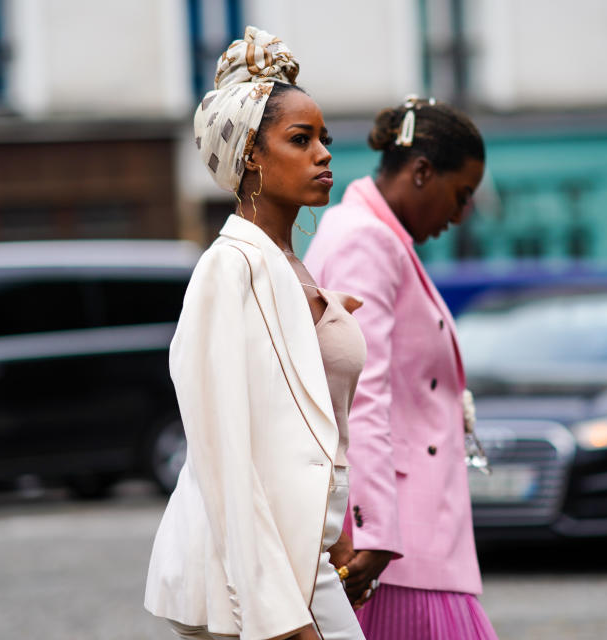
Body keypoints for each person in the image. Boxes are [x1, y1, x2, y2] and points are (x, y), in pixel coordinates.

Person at [145, 27, 367, 640]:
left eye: (324, 138)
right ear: (250, 154)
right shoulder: (228, 268)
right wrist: (276, 617)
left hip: (303, 556)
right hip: (262, 581)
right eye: (301, 139)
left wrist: (335, 530)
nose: (323, 153)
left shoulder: (285, 264)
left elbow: (300, 426)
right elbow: (223, 455)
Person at [304, 96, 498, 639]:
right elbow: (361, 390)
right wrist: (375, 533)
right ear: (420, 171)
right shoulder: (366, 240)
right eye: (460, 196)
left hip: (407, 538)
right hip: (399, 546)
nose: (460, 215)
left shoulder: (371, 235)